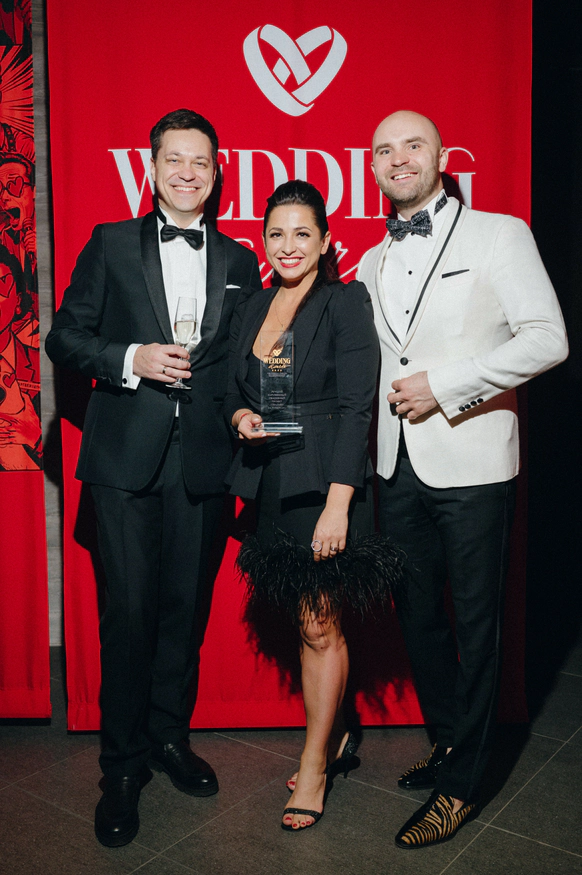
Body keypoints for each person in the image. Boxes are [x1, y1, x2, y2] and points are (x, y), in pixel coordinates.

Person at [45, 109, 261, 847]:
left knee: (183, 613)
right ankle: (122, 767)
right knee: (128, 617)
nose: (187, 172)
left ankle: (170, 737)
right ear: (152, 167)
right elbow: (64, 336)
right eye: (175, 159)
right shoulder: (110, 243)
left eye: (201, 161)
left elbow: (240, 366)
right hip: (124, 465)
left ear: (216, 171)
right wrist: (131, 359)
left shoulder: (239, 260)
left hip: (202, 464)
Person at [357, 110, 568, 849]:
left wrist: (446, 386)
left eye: (412, 145)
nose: (399, 158)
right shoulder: (370, 260)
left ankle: (464, 786)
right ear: (373, 168)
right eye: (384, 150)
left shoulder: (500, 234)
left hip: (473, 462)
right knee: (418, 616)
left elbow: (549, 339)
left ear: (442, 156)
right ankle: (451, 741)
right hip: (396, 466)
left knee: (477, 624)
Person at [226, 179, 399, 832]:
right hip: (271, 480)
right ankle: (340, 731)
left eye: (303, 232)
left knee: (320, 626)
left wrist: (339, 504)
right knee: (306, 621)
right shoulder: (254, 304)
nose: (289, 245)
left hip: (324, 485)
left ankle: (315, 763)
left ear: (326, 241)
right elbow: (230, 390)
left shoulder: (344, 301)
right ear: (263, 241)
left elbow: (358, 407)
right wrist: (240, 415)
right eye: (277, 233)